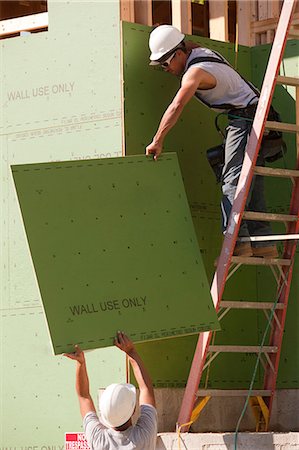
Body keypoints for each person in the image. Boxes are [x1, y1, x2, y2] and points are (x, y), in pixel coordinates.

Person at [146, 25, 278, 258]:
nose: (166, 69)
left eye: (165, 63)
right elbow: (190, 44)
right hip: (258, 114)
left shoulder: (194, 73)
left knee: (231, 180)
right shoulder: (200, 52)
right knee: (252, 180)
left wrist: (158, 140)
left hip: (247, 118)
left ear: (178, 54)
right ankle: (263, 241)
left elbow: (177, 106)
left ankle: (237, 241)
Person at [64, 331, 157, 450]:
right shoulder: (144, 436)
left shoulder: (98, 440)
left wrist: (80, 363)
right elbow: (146, 389)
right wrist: (130, 352)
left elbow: (84, 397)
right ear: (133, 410)